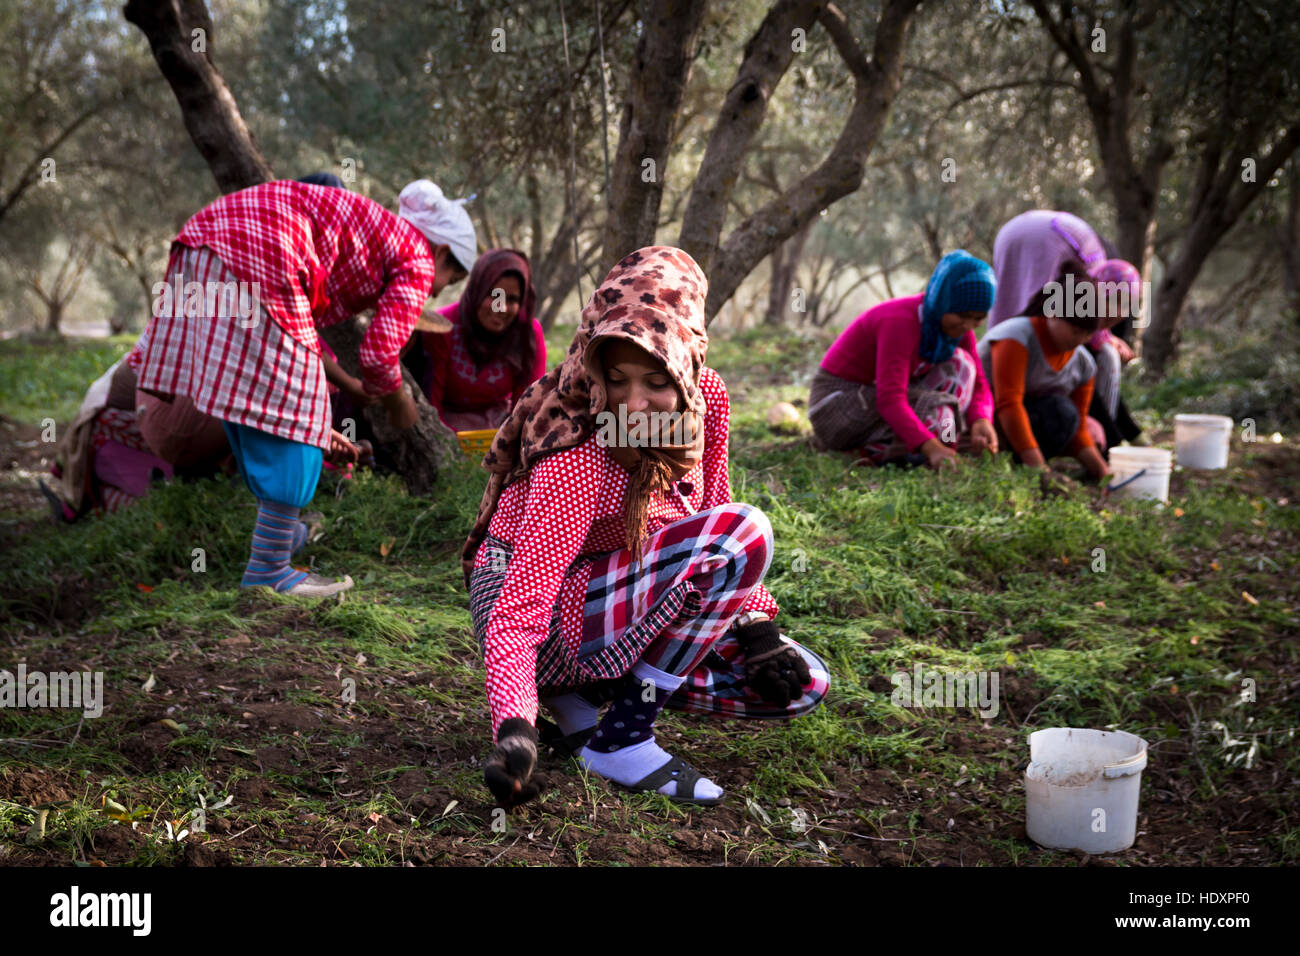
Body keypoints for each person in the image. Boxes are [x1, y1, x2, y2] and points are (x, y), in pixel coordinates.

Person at [463, 246, 830, 809]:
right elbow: (520, 608)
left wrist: (756, 629)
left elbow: (709, 508)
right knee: (742, 534)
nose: (633, 405)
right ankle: (620, 734)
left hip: (616, 595)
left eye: (655, 377)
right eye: (616, 378)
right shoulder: (579, 449)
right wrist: (514, 726)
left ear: (686, 361)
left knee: (804, 682)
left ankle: (584, 703)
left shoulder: (706, 399)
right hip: (537, 611)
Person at [130, 177, 475, 598]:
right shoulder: (417, 256)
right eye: (447, 280)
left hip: (205, 241)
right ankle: (271, 569)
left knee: (254, 398)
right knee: (301, 403)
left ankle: (279, 537)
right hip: (263, 253)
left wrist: (339, 400)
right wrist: (400, 404)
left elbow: (283, 377)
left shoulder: (377, 234)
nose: (436, 291)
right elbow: (379, 354)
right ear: (440, 251)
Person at [808, 250, 999, 469]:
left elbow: (979, 385)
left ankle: (937, 451)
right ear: (943, 302)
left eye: (978, 319)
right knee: (942, 409)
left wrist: (981, 419)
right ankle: (910, 452)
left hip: (874, 399)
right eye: (962, 316)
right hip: (837, 404)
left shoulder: (957, 332)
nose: (967, 326)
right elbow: (890, 398)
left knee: (961, 366)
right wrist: (931, 445)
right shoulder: (900, 322)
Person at [977, 260, 1111, 481]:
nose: (1080, 340)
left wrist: (1102, 471)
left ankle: (1025, 464)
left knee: (1070, 417)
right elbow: (1009, 405)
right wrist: (1041, 472)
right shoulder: (1015, 338)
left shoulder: (1083, 364)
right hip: (985, 418)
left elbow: (1077, 427)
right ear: (1052, 313)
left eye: (1087, 335)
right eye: (1075, 331)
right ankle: (1022, 467)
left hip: (1024, 419)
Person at [405, 249, 547, 431]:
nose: (501, 307)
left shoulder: (527, 333)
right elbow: (431, 405)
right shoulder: (442, 327)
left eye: (512, 299)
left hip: (499, 430)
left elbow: (529, 407)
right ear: (478, 289)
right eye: (494, 295)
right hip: (447, 428)